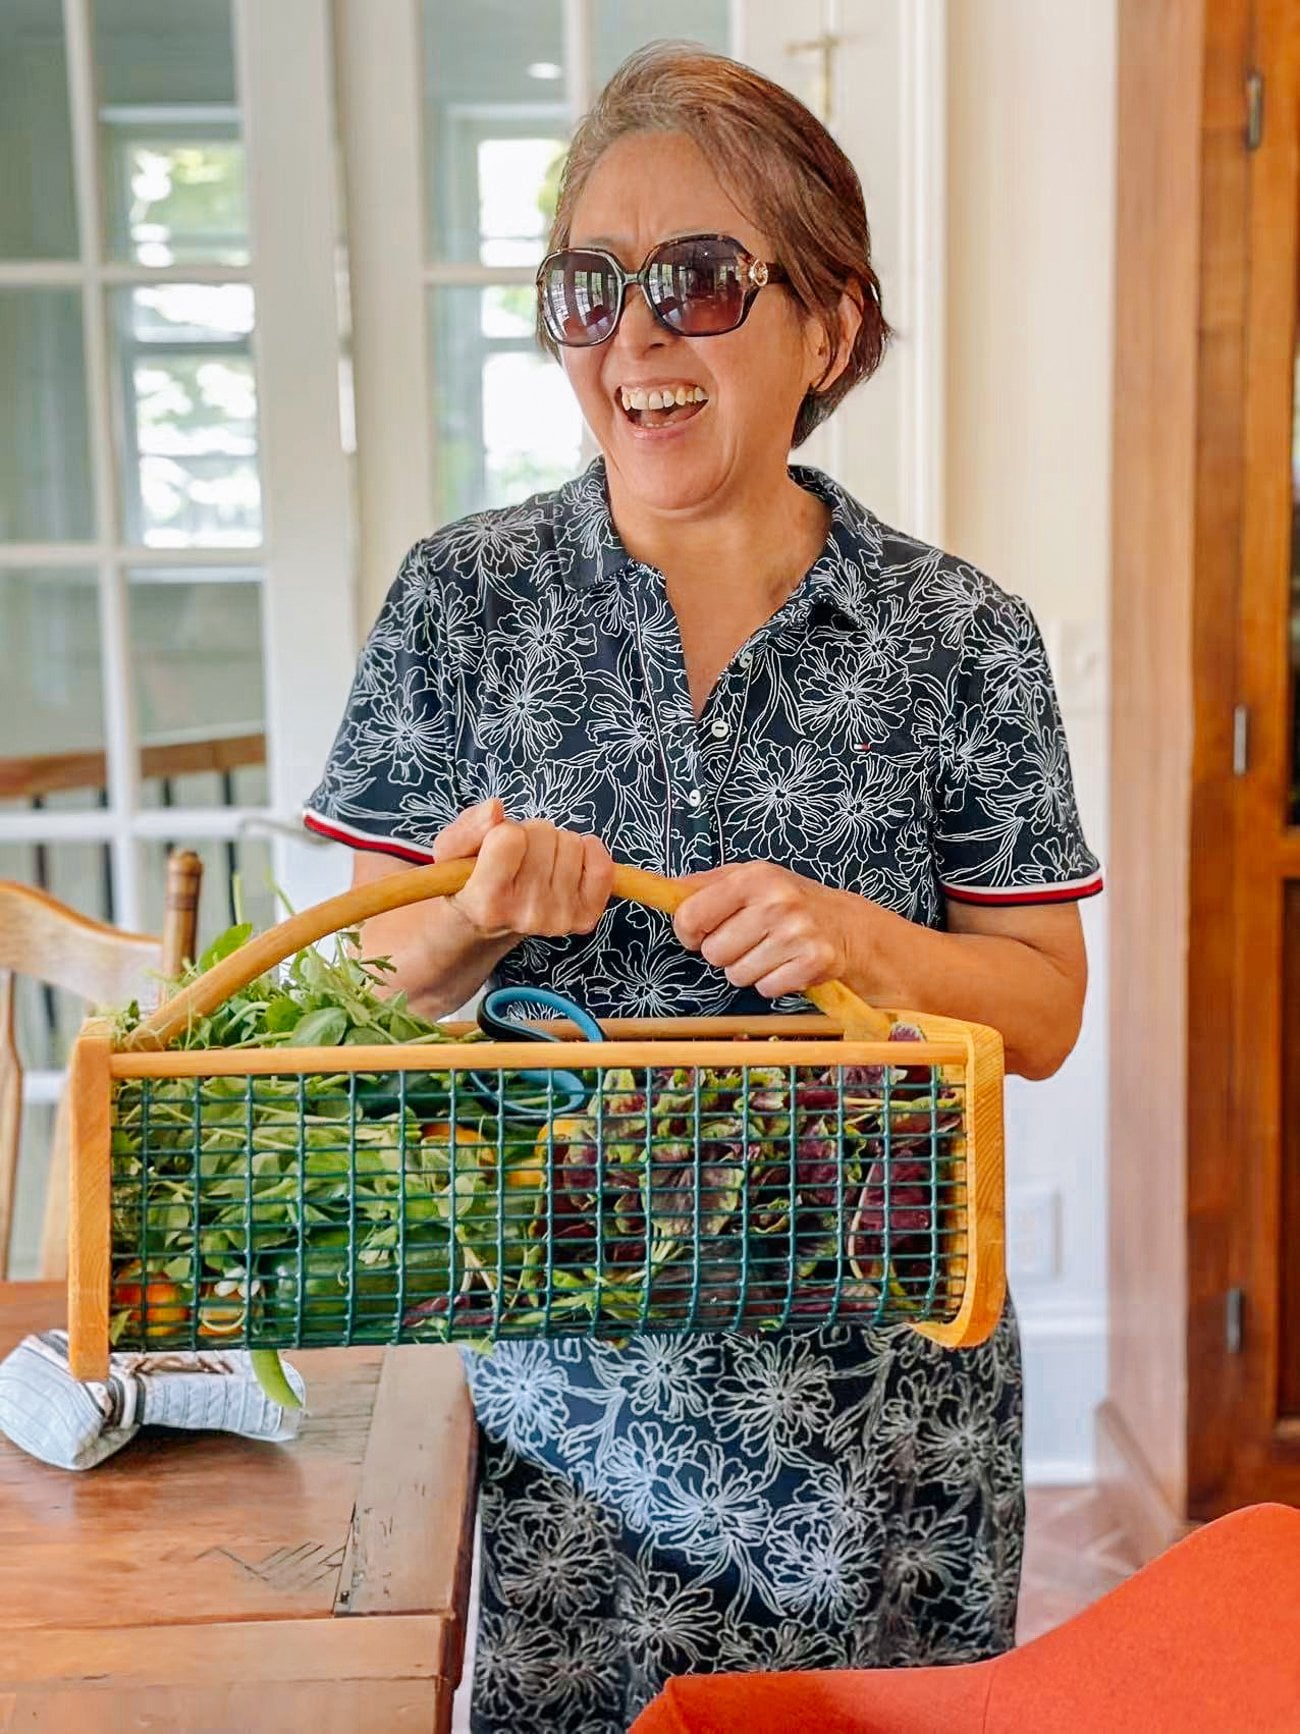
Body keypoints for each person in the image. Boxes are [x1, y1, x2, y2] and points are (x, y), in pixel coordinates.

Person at [305, 43, 1101, 1734]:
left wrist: (869, 942)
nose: (635, 338)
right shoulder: (462, 603)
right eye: (589, 287)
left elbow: (1044, 1007)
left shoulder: (962, 636)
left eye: (700, 281)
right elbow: (352, 996)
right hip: (562, 1437)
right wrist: (464, 918)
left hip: (886, 1440)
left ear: (830, 327)